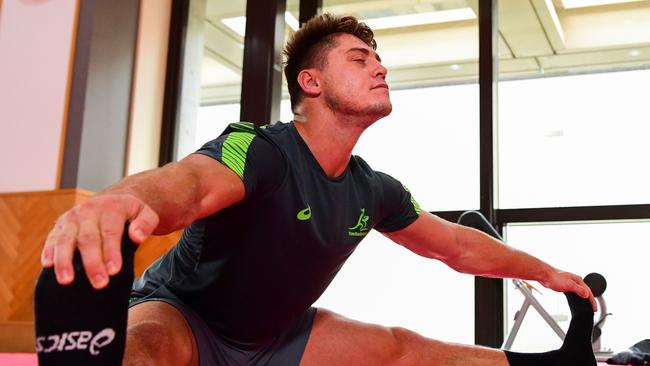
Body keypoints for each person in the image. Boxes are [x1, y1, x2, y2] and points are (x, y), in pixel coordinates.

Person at [35, 13, 598, 366]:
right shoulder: (262, 150)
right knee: (148, 348)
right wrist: (126, 200)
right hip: (183, 314)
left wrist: (546, 272)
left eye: (379, 60)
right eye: (361, 60)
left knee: (403, 349)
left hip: (275, 338)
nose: (380, 69)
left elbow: (455, 245)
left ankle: (550, 363)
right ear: (312, 82)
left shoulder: (372, 189)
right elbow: (189, 185)